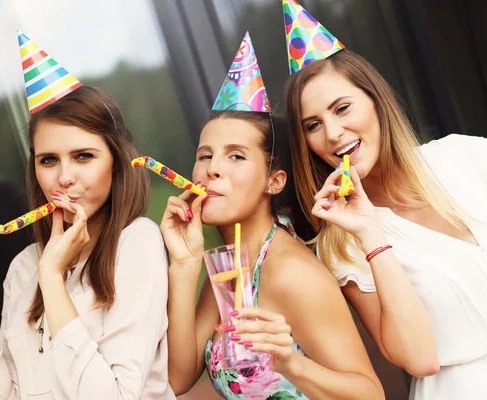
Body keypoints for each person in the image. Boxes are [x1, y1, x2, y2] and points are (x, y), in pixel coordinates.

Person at [0, 31, 174, 399]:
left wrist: (52, 279)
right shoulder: (24, 266)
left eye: (83, 156)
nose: (64, 177)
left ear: (117, 164)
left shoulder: (138, 242)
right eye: (48, 160)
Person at [282, 1, 487, 398]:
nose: (334, 133)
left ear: (375, 99)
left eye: (342, 108)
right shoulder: (342, 244)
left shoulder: (461, 158)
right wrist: (371, 233)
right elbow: (418, 359)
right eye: (313, 126)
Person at [162, 32, 383, 400]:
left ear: (274, 181)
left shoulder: (288, 271)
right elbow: (177, 378)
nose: (212, 169)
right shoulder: (231, 266)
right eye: (205, 155)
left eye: (235, 156)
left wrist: (291, 364)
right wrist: (184, 264)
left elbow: (371, 394)